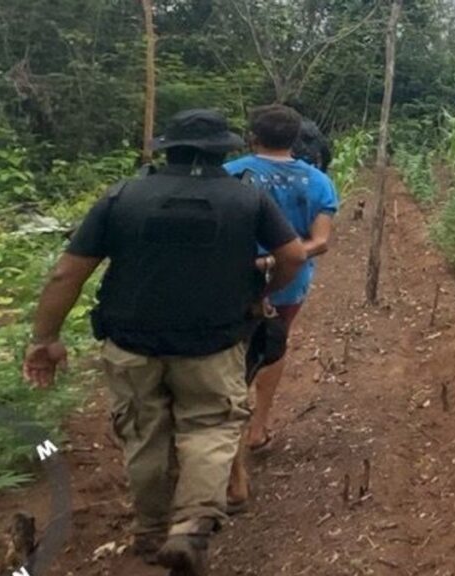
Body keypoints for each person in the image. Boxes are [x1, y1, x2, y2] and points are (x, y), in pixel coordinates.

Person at [22, 109, 307, 576]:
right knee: (211, 426)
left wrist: (45, 339)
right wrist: (263, 291)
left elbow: (66, 272)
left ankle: (152, 528)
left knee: (143, 432)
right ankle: (192, 525)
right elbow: (292, 255)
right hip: (214, 342)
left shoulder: (123, 196)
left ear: (166, 148)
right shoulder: (247, 199)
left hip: (131, 341)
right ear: (225, 151)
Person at [223, 104, 338, 503]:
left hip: (231, 281)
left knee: (228, 354)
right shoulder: (318, 181)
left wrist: (257, 262)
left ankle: (224, 435)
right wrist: (278, 261)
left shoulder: (230, 173)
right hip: (288, 284)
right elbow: (320, 242)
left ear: (252, 135)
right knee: (273, 345)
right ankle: (258, 425)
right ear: (297, 139)